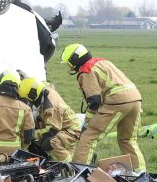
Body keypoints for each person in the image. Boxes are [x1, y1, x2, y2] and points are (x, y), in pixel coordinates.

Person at [61, 43, 145, 171]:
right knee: (128, 139)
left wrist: (88, 122)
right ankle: (140, 173)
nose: (70, 67)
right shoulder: (102, 62)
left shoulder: (86, 70)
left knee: (88, 137)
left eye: (69, 63)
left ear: (74, 60)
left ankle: (77, 172)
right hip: (135, 99)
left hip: (117, 101)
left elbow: (94, 101)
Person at [18, 76, 79, 162]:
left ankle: (70, 166)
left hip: (70, 130)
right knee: (40, 140)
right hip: (60, 125)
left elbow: (52, 130)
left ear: (33, 96)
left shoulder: (50, 107)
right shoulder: (41, 88)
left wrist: (30, 134)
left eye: (27, 100)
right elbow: (37, 84)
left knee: (50, 142)